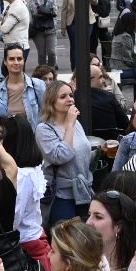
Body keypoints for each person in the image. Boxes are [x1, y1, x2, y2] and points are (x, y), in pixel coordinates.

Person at [36, 78, 93, 223]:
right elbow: (61, 156)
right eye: (63, 97)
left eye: (71, 95)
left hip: (83, 191)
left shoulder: (75, 122)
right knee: (68, 241)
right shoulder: (44, 129)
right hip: (61, 195)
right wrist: (69, 124)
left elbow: (82, 151)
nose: (70, 99)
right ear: (51, 102)